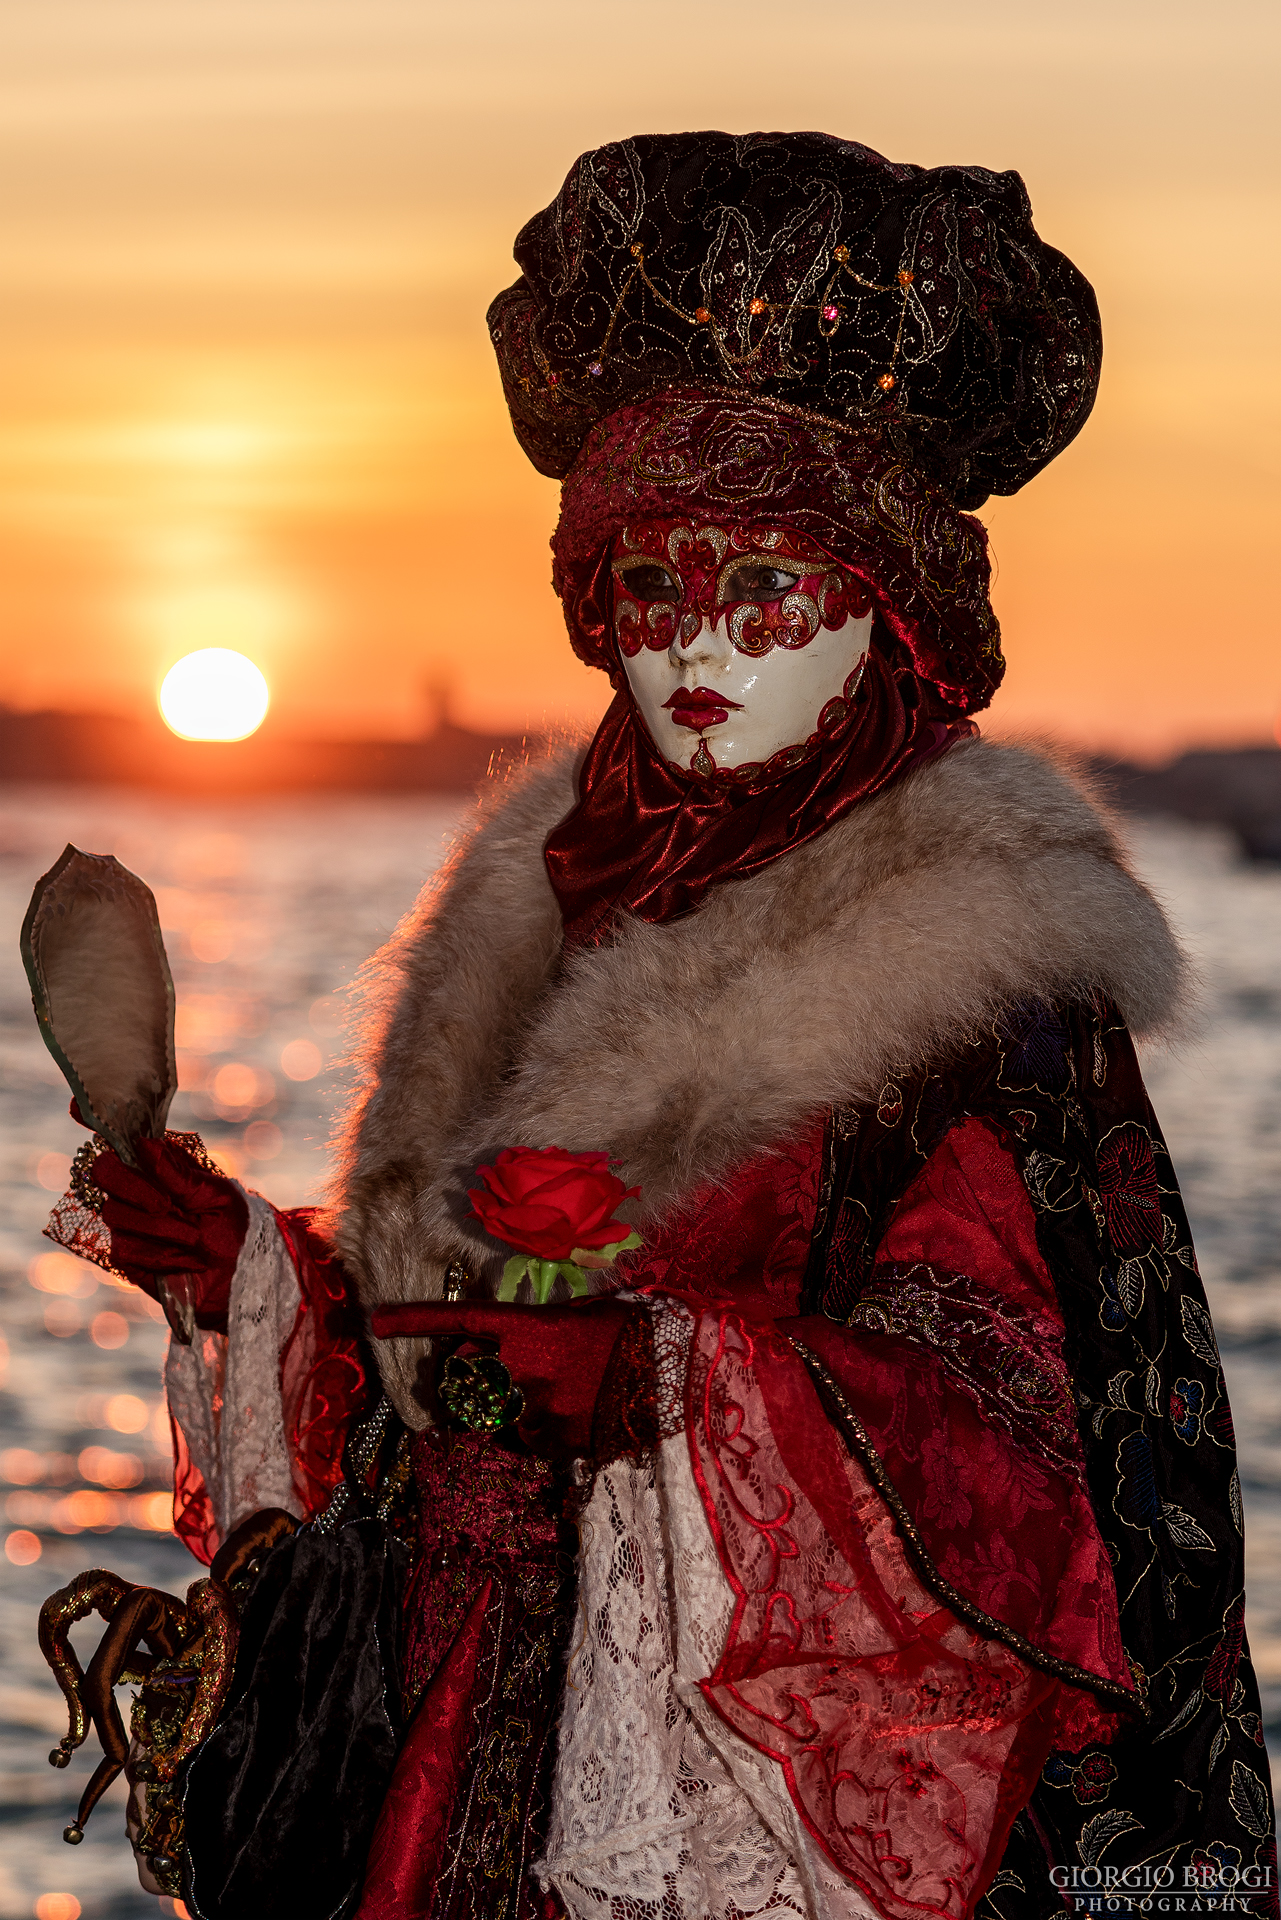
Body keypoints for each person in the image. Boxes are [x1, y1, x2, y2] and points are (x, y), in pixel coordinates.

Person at [38, 132, 1277, 1920]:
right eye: (646, 588)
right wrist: (245, 1271)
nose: (696, 644)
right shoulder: (540, 911)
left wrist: (665, 1388)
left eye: (762, 586)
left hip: (752, 1810)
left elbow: (1029, 1453)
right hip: (465, 1757)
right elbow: (430, 1398)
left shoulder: (981, 982)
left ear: (891, 610)